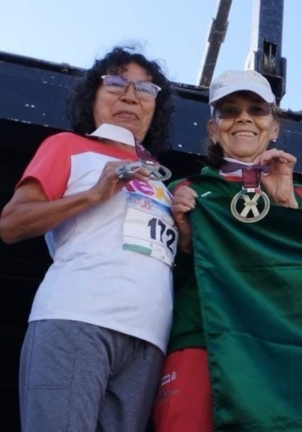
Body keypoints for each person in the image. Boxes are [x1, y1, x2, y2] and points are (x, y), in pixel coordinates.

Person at [0, 46, 176, 431]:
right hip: (77, 316)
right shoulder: (67, 146)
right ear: (92, 95)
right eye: (115, 83)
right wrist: (93, 195)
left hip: (148, 337)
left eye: (145, 90)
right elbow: (11, 223)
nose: (130, 96)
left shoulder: (162, 177)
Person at [153, 69, 302, 432]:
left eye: (257, 110)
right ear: (213, 128)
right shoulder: (182, 192)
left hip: (278, 347)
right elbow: (152, 281)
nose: (244, 118)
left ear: (274, 127)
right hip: (200, 341)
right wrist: (188, 245)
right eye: (229, 110)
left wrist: (287, 205)